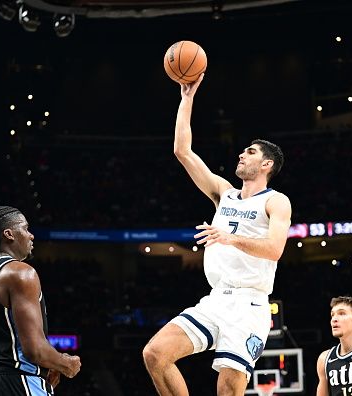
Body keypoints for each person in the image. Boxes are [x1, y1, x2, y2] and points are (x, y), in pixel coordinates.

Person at [142, 73, 292, 396]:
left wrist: (230, 238)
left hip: (250, 305)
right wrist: (187, 98)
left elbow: (275, 249)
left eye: (249, 152)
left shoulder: (276, 201)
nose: (241, 155)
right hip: (215, 299)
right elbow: (183, 151)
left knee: (227, 389)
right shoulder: (223, 192)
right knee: (154, 354)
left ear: (266, 164)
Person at [0, 206, 81, 395]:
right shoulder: (20, 272)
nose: (31, 236)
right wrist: (66, 363)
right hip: (18, 381)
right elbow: (34, 349)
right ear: (9, 234)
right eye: (26, 228)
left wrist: (50, 363)